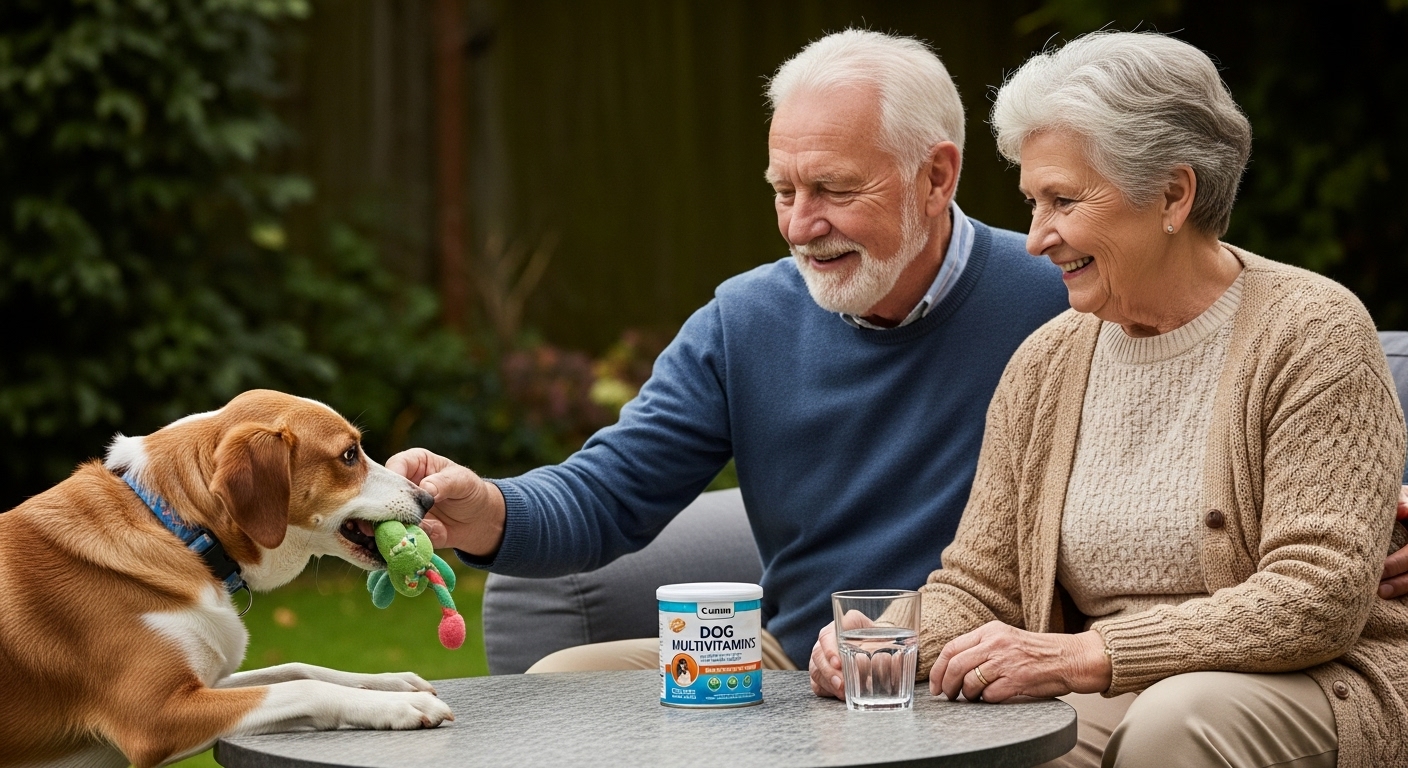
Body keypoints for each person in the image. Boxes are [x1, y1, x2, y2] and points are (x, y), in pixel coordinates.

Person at [808, 31, 1408, 768]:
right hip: (1109, 685)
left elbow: (1320, 595)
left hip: (1298, 682)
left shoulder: (1311, 330)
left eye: (1063, 200)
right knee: (966, 743)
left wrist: (1088, 655)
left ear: (1173, 194)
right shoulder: (1046, 362)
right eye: (1032, 201)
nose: (1034, 239)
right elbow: (981, 584)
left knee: (1178, 721)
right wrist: (883, 638)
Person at [386, 29, 1073, 672]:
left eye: (833, 189)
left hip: (983, 667)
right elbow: (607, 493)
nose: (801, 226)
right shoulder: (744, 320)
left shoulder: (1060, 301)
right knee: (562, 684)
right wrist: (486, 510)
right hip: (796, 665)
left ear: (935, 178)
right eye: (783, 190)